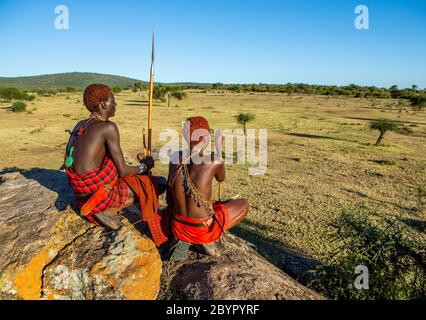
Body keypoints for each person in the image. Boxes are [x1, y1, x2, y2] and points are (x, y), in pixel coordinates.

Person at [64, 84, 166, 233]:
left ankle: (104, 205)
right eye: (114, 100)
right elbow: (123, 171)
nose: (116, 104)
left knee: (137, 180)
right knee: (159, 184)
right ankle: (107, 209)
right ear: (104, 104)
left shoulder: (80, 124)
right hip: (99, 194)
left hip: (82, 194)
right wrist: (145, 166)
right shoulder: (108, 127)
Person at [166, 116, 249, 249]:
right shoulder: (213, 160)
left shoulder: (175, 157)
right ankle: (206, 241)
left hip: (178, 226)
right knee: (244, 204)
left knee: (211, 204)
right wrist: (218, 151)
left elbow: (170, 198)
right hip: (202, 231)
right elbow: (221, 178)